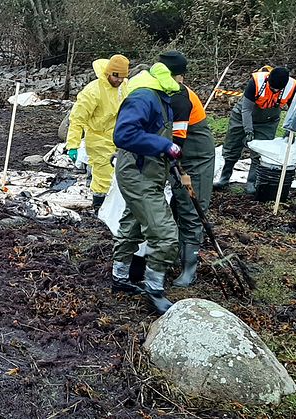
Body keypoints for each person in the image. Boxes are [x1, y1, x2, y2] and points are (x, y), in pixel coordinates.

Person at [110, 51, 193, 314]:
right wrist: (164, 145)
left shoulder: (162, 96)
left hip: (148, 171)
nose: (182, 81)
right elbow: (123, 134)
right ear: (169, 74)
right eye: (180, 75)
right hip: (138, 172)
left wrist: (170, 158)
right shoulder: (144, 96)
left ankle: (120, 277)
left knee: (133, 223)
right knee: (166, 234)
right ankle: (154, 289)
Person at [165, 53, 216, 288]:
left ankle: (189, 268)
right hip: (181, 152)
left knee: (192, 209)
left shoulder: (180, 96)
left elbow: (178, 138)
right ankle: (173, 255)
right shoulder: (164, 90)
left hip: (196, 155)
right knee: (177, 203)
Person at [213, 66, 296, 193]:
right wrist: (248, 130)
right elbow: (246, 109)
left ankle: (251, 183)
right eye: (272, 87)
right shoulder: (256, 82)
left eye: (278, 89)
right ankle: (224, 178)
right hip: (242, 117)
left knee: (259, 153)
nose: (274, 90)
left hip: (268, 121)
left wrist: (291, 129)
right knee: (231, 148)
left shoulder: (291, 87)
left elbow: (294, 111)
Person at [65, 54, 130, 211]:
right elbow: (77, 118)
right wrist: (72, 144)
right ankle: (99, 206)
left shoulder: (123, 85)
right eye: (116, 76)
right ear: (109, 73)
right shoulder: (93, 91)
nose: (119, 80)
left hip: (120, 135)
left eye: (122, 76)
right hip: (98, 137)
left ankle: (116, 205)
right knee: (104, 172)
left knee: (124, 172)